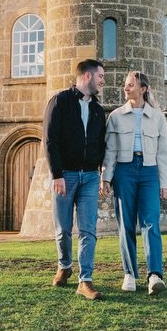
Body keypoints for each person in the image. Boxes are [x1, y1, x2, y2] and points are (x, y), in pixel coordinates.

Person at [102, 70, 167, 294]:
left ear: (143, 89)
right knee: (126, 225)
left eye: (131, 85)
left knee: (151, 222)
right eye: (126, 85)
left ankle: (154, 275)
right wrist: (105, 177)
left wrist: (165, 183)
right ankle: (129, 274)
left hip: (149, 171)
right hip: (124, 171)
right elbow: (110, 150)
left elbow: (164, 152)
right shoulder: (115, 116)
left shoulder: (157, 117)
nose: (126, 88)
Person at [43, 58, 108, 300]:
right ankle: (64, 265)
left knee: (88, 230)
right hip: (66, 175)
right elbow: (50, 140)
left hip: (90, 177)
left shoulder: (98, 110)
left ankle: (86, 280)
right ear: (88, 76)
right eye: (100, 76)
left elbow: (102, 145)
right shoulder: (60, 101)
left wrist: (103, 174)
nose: (103, 81)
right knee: (63, 229)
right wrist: (57, 174)